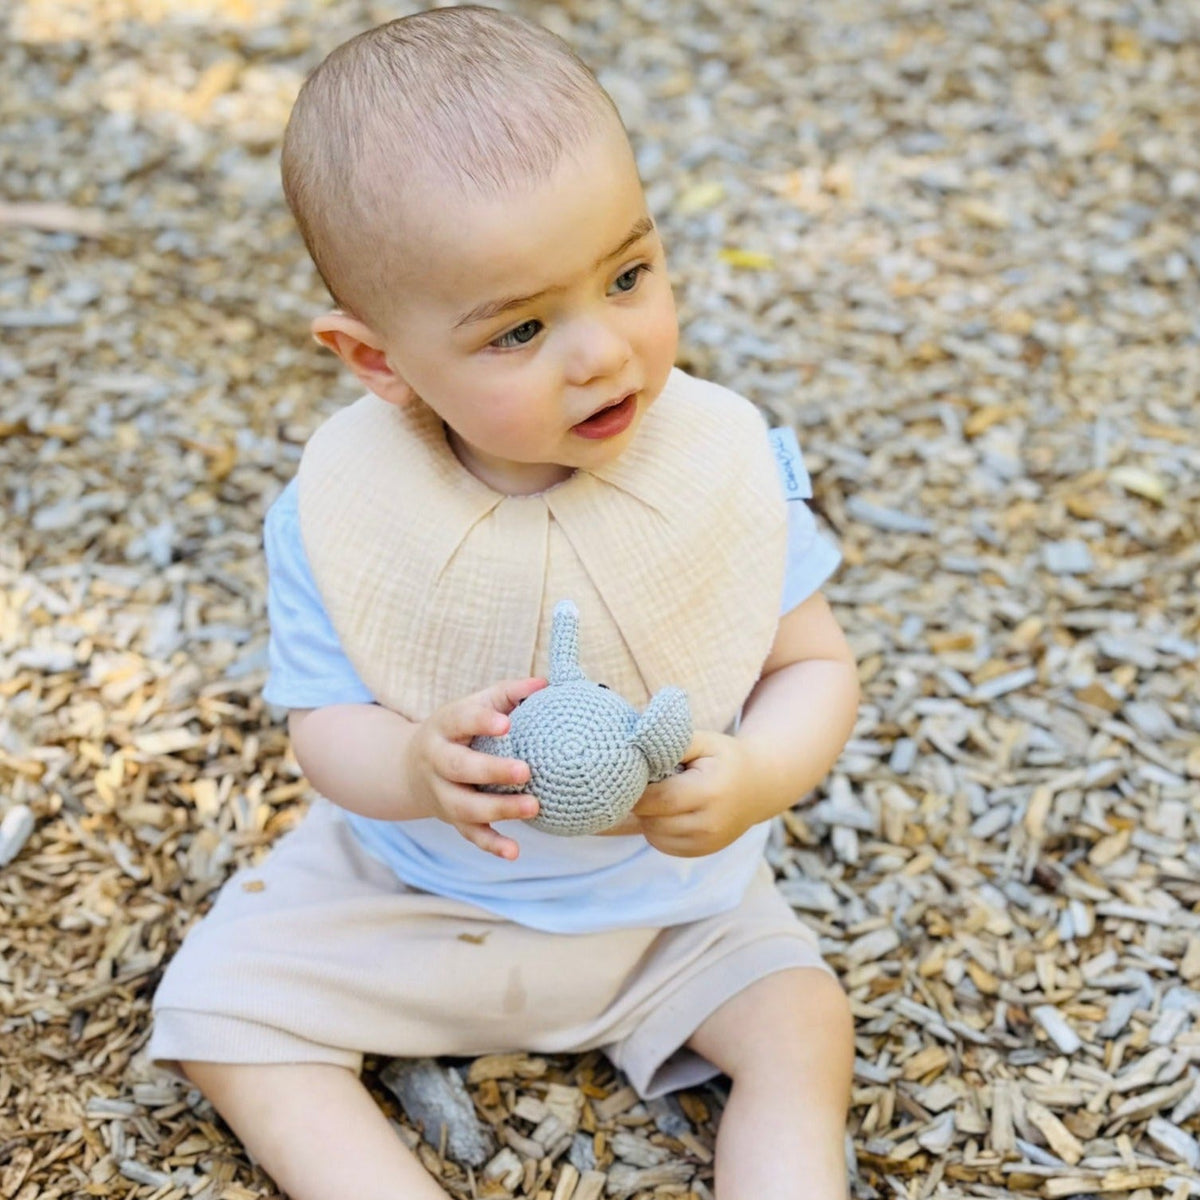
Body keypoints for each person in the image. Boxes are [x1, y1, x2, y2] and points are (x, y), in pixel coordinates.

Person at [149, 7, 861, 1198]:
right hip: (412, 885)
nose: (602, 353)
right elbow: (323, 727)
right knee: (215, 1013)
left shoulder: (723, 467)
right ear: (377, 362)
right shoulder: (342, 510)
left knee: (804, 1027)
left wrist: (758, 779)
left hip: (676, 912)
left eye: (628, 275)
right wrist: (419, 768)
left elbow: (814, 669)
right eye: (522, 328)